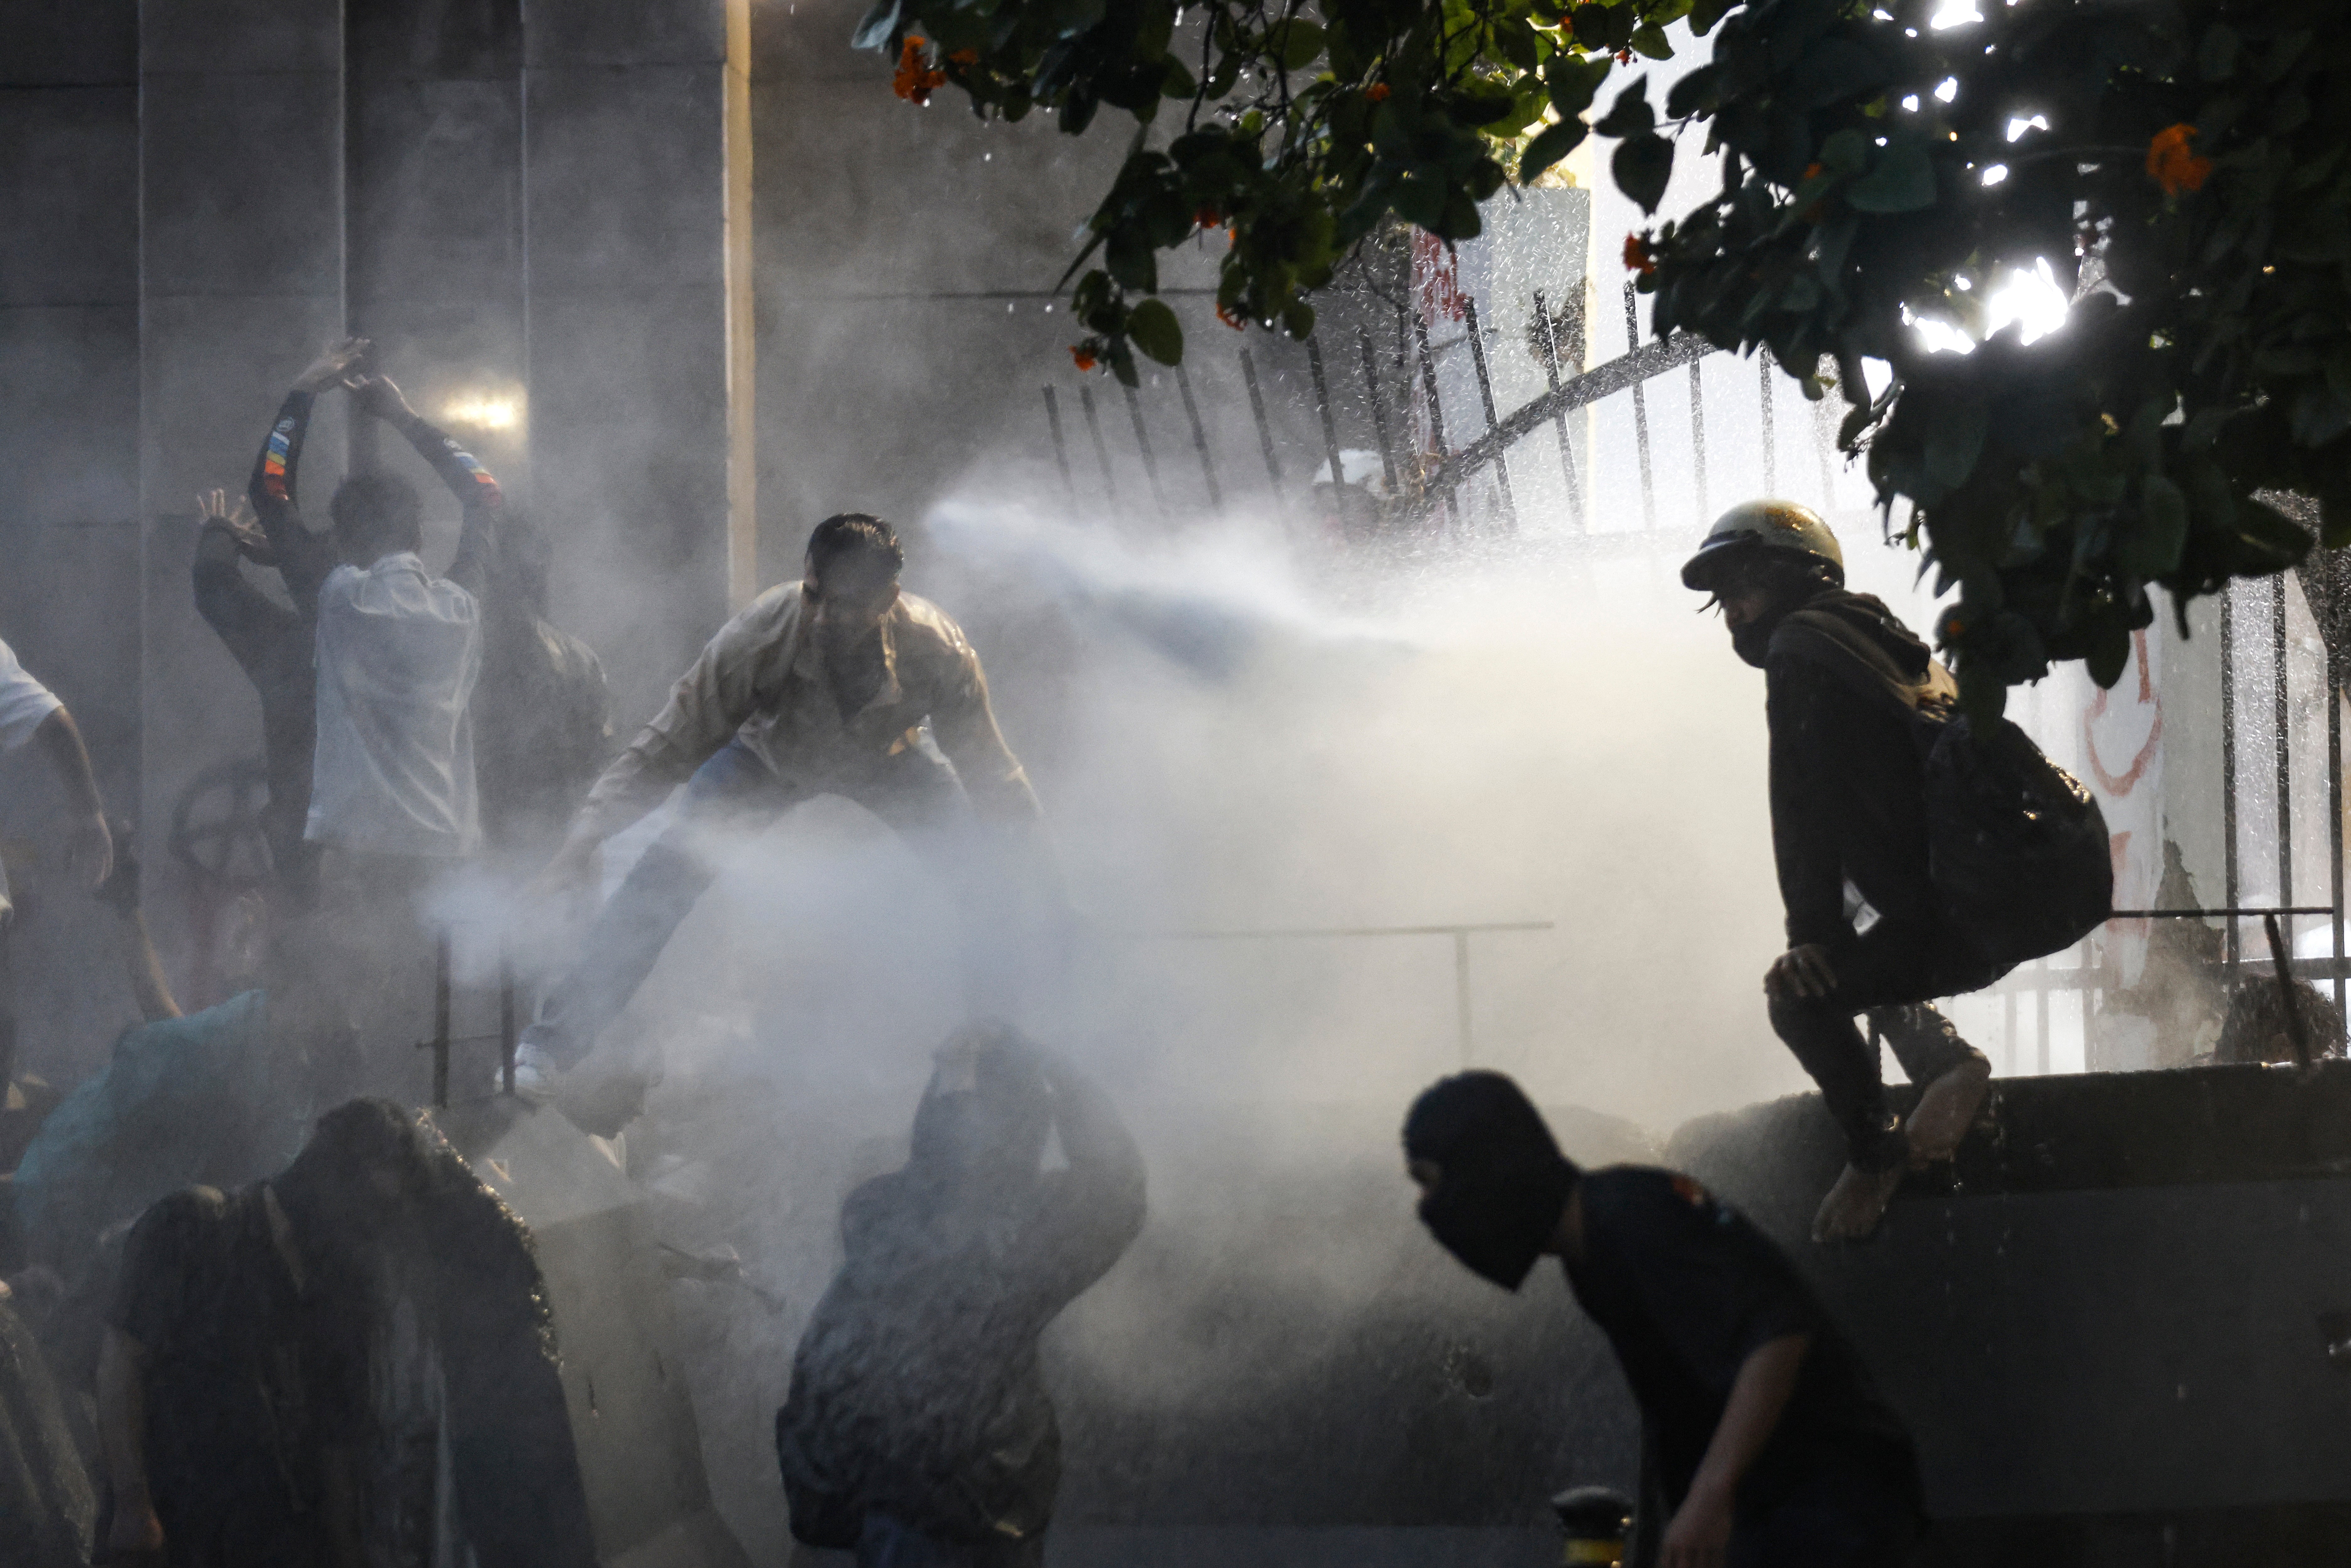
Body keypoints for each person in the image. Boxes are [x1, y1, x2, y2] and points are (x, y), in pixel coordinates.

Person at [517, 514, 1062, 1085]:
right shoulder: (759, 635)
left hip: (892, 760)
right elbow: (666, 745)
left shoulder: (939, 649)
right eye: (814, 596)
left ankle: (998, 1053)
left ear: (889, 599)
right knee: (663, 879)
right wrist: (577, 847)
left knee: (981, 883)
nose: (825, 618)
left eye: (848, 604)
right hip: (767, 760)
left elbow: (992, 775)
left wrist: (1044, 877)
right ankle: (550, 1047)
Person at [1404, 1071, 1922, 1568]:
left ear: (1488, 1170)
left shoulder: (1633, 1216)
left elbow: (1778, 1337)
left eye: (1432, 1182)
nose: (1427, 1208)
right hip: (1790, 1512)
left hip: (1830, 1510)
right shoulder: (1594, 1249)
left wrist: (1708, 1499)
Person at [99, 1098, 596, 1568]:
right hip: (169, 1525)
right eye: (369, 1210)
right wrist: (132, 1502)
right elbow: (121, 1362)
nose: (373, 1232)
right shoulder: (194, 1225)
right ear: (329, 1182)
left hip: (262, 1541)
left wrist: (347, 1553)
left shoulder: (336, 1296)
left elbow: (334, 1445)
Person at [1682, 501, 1996, 1243]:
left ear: (1799, 572)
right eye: (1722, 598)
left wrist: (1809, 939)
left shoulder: (1801, 646)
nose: (1733, 609)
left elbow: (1801, 808)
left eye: (1744, 583)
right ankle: (1950, 1064)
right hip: (1990, 907)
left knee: (1801, 1000)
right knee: (1864, 937)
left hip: (1944, 918)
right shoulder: (1889, 643)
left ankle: (1877, 1155)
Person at [775, 1023, 1145, 1567]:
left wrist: (954, 1075)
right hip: (981, 1507)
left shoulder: (878, 1215)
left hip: (889, 1504)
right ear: (1025, 1128)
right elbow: (1115, 1189)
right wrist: (1066, 1077)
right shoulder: (1019, 1233)